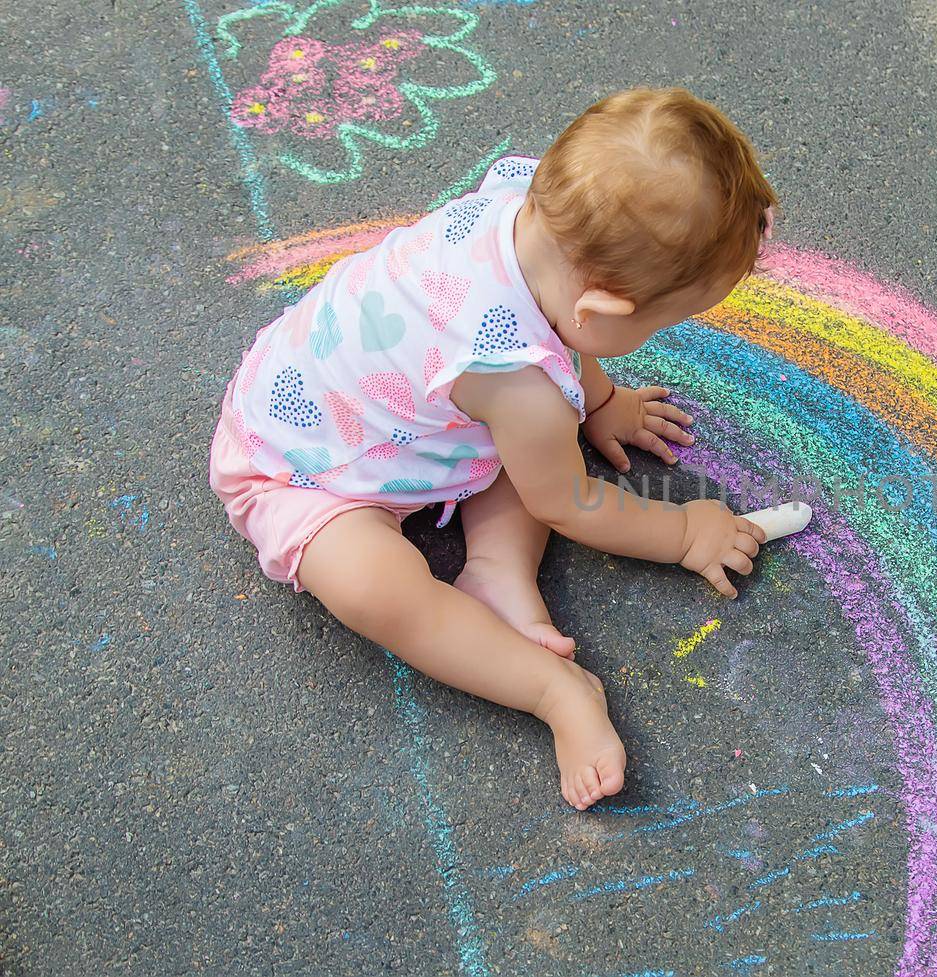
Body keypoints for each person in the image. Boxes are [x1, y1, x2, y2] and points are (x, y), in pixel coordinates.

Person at [209, 88, 778, 810]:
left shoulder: (528, 209)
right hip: (296, 469)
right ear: (603, 311)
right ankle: (550, 687)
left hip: (402, 407)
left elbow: (564, 339)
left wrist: (601, 402)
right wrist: (685, 531)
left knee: (547, 422)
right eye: (668, 321)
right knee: (376, 589)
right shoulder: (520, 386)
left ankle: (497, 572)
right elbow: (571, 502)